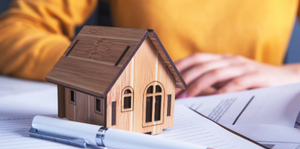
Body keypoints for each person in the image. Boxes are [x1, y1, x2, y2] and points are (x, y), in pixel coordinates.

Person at [1, 0, 300, 98]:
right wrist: (112, 68)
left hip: (257, 123)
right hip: (139, 106)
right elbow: (12, 32)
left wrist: (290, 72)